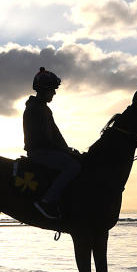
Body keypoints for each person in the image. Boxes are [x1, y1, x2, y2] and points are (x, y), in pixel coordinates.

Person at [23, 67, 81, 219]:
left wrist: (68, 150)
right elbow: (45, 139)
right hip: (39, 152)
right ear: (44, 90)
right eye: (52, 90)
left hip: (46, 150)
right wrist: (65, 151)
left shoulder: (43, 109)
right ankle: (47, 201)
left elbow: (56, 135)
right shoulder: (36, 109)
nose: (54, 93)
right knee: (73, 166)